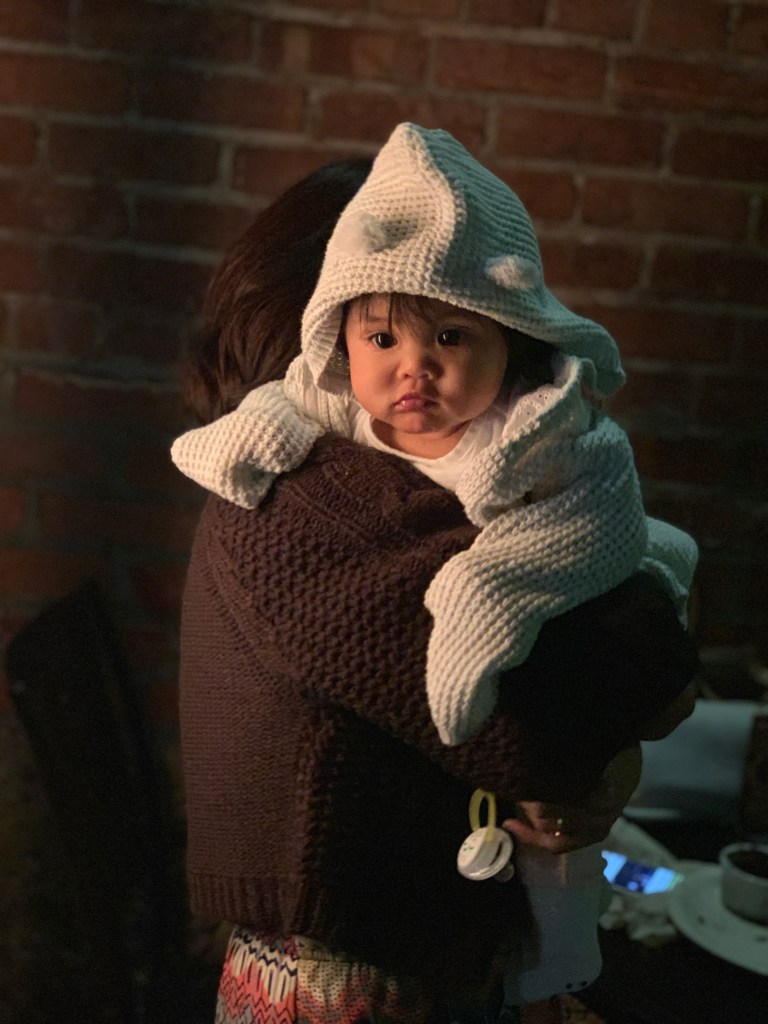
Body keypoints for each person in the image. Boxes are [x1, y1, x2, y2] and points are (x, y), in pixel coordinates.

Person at [173, 125, 699, 1012]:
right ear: (325, 325)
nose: (417, 369)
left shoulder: (383, 480)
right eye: (385, 332)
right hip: (348, 977)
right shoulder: (298, 504)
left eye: (454, 333)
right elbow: (572, 716)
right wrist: (616, 734)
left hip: (400, 944)